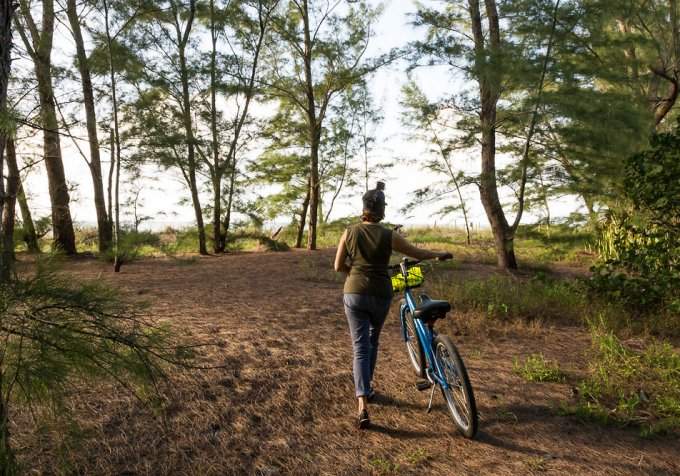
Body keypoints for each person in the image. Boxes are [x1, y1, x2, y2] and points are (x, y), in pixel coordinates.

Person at [334, 182, 452, 429]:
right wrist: (439, 253)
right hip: (380, 294)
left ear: (364, 208)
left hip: (354, 294)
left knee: (359, 347)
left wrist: (353, 275)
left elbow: (337, 266)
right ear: (381, 210)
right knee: (372, 341)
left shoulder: (349, 232)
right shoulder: (389, 235)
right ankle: (369, 386)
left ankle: (362, 403)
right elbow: (416, 252)